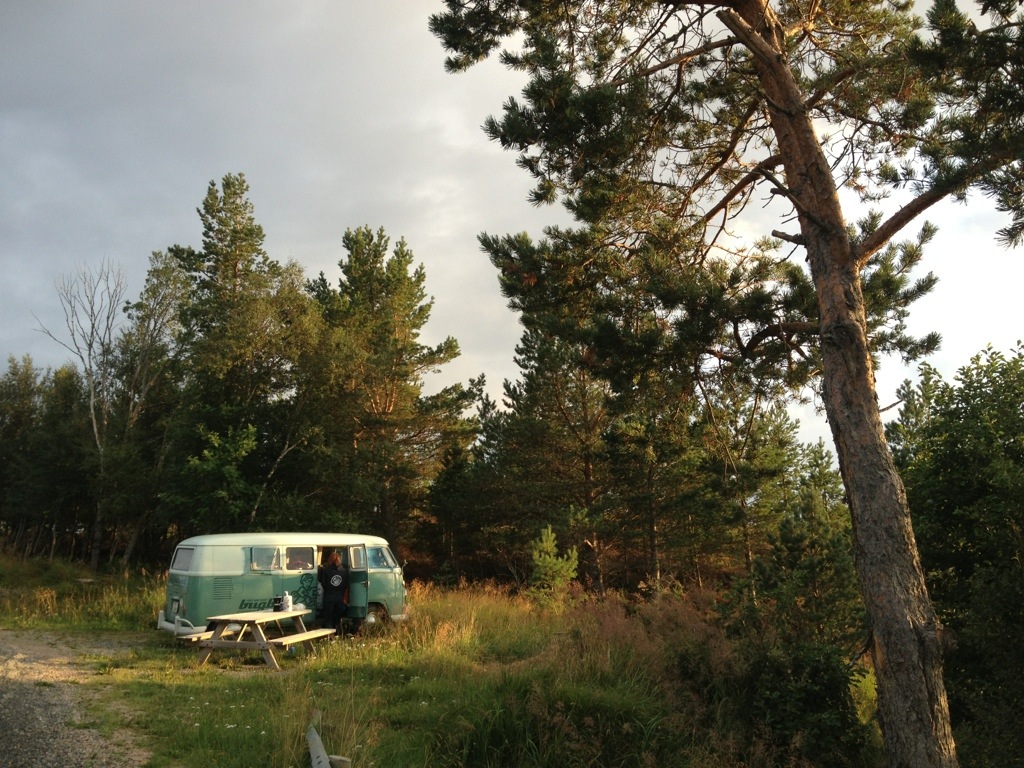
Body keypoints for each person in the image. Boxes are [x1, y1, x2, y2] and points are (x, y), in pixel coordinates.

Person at [318, 551, 349, 632]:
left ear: (330, 560)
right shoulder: (344, 571)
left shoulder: (326, 570)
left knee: (329, 619)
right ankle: (338, 634)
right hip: (340, 598)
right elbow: (346, 584)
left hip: (329, 597)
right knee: (338, 619)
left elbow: (323, 583)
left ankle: (329, 635)